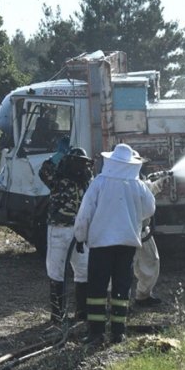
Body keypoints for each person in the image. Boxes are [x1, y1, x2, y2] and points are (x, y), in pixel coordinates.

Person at [74, 143, 156, 345]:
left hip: (101, 244)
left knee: (97, 289)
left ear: (111, 161)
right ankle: (118, 333)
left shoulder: (99, 182)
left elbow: (85, 213)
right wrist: (131, 215)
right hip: (127, 244)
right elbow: (150, 209)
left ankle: (96, 334)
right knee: (122, 286)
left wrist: (79, 236)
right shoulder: (138, 185)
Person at [38, 141, 93, 325]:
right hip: (58, 229)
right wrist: (55, 157)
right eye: (78, 161)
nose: (81, 166)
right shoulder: (57, 179)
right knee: (56, 271)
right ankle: (57, 315)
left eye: (83, 162)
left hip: (80, 231)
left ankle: (82, 313)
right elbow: (43, 171)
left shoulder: (87, 181)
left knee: (83, 270)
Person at [134, 162, 171, 308]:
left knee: (152, 261)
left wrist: (160, 181)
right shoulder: (125, 183)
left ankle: (143, 296)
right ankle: (115, 300)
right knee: (122, 267)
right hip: (128, 232)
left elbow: (148, 191)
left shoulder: (139, 181)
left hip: (143, 231)